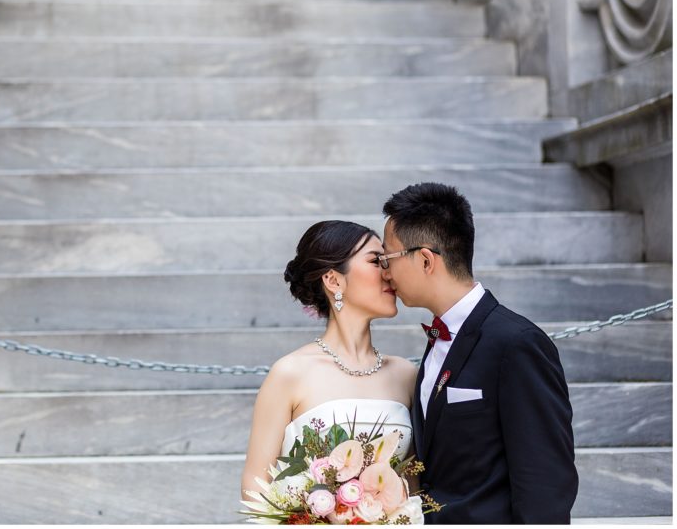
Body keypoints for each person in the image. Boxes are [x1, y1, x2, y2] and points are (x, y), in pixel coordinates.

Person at [379, 182, 579, 523]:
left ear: (426, 260)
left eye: (388, 257)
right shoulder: (439, 340)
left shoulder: (517, 343)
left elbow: (545, 481)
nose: (384, 271)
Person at [241, 220, 418, 504]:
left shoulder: (406, 375)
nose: (389, 273)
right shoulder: (290, 373)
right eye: (376, 261)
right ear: (334, 280)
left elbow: (411, 486)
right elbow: (255, 485)